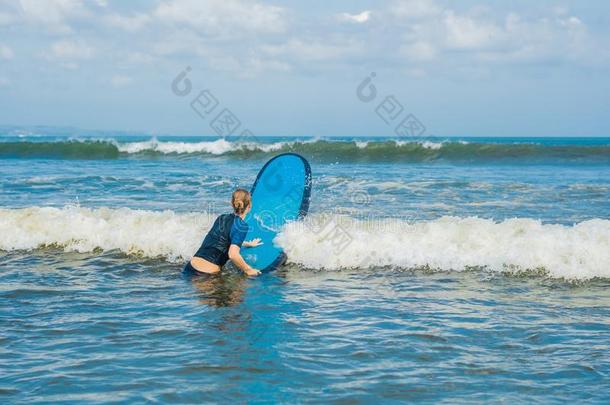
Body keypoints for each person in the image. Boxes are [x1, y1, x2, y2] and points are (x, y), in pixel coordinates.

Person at [185, 189, 263, 277]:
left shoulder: (221, 218)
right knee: (241, 288)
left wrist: (247, 244)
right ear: (249, 206)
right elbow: (233, 254)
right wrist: (248, 269)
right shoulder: (241, 225)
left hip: (190, 267)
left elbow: (222, 239)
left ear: (232, 203)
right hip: (206, 275)